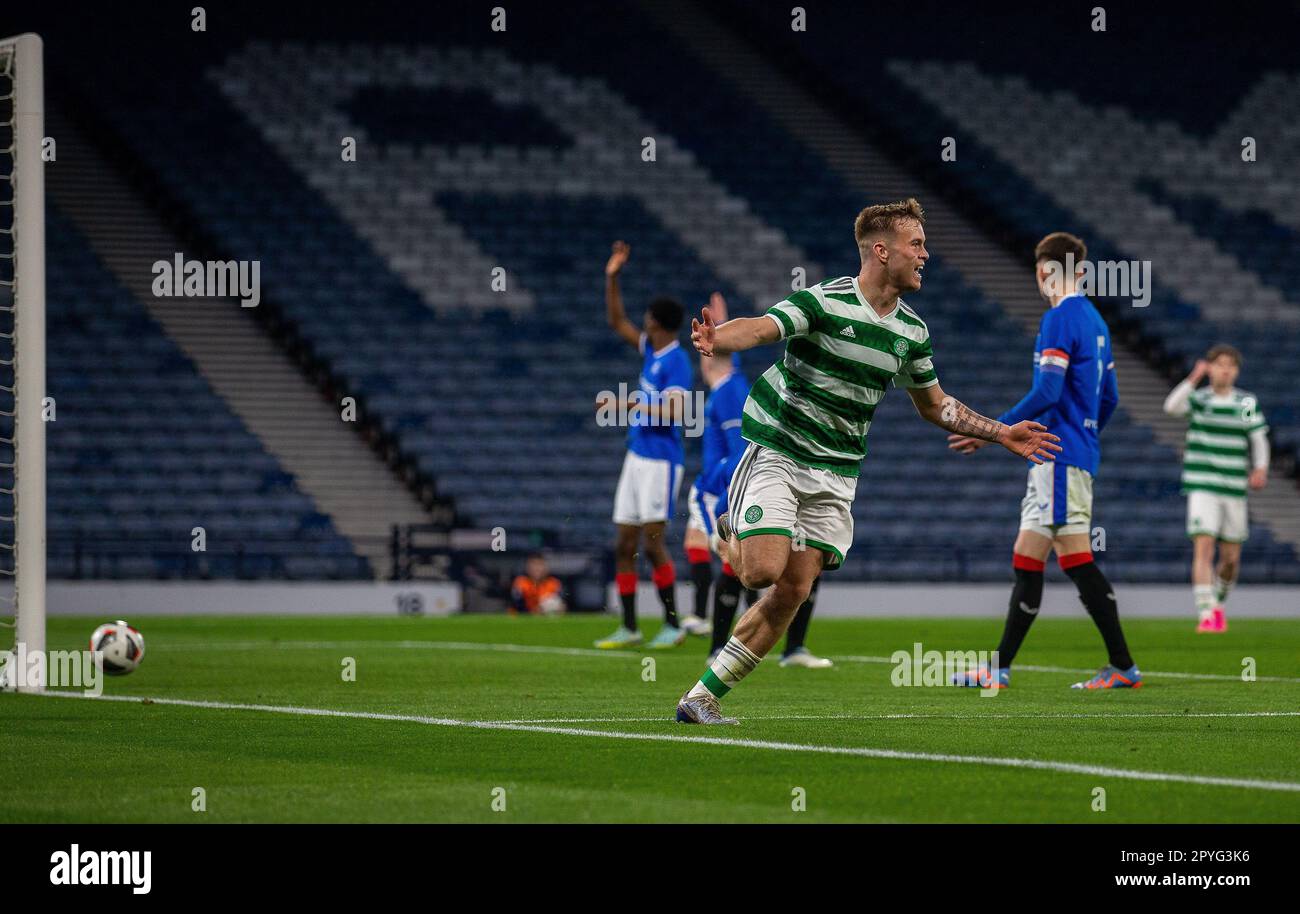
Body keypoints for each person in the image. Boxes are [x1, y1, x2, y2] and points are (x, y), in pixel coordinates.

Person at [674, 198, 1061, 724]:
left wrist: (1001, 432)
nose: (926, 255)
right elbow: (763, 327)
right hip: (781, 449)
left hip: (836, 471)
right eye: (917, 244)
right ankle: (732, 530)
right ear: (882, 250)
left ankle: (701, 697)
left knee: (794, 590)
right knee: (761, 573)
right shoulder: (824, 302)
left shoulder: (912, 332)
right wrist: (718, 338)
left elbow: (935, 405)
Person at [948, 231, 1139, 689]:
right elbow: (1108, 398)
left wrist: (993, 431)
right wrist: (1085, 436)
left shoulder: (1059, 319)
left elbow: (1048, 392)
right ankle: (1000, 668)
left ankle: (1123, 667)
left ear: (1042, 271)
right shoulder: (1095, 321)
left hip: (1055, 457)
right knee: (1027, 558)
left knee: (1074, 559)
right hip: (1072, 454)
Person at [594, 241, 692, 650]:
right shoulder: (652, 351)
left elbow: (676, 413)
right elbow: (617, 321)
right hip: (637, 457)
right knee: (624, 543)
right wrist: (611, 276)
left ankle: (672, 623)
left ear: (657, 322)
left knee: (653, 543)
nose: (643, 322)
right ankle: (630, 625)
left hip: (661, 461)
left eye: (648, 318)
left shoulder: (678, 362)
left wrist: (628, 402)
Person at [1162, 344, 1269, 632]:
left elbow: (1258, 437)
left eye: (1230, 365)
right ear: (1210, 367)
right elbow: (1171, 407)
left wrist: (1260, 468)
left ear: (1236, 371)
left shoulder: (1245, 403)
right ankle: (1206, 613)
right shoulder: (1199, 400)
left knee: (1231, 559)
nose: (1225, 369)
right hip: (1202, 484)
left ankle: (1217, 603)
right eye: (1220, 364)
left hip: (1234, 486)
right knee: (1204, 546)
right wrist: (1193, 378)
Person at [680, 292, 749, 637]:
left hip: (716, 489)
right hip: (719, 485)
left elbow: (739, 453)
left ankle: (731, 633)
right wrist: (720, 328)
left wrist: (723, 495)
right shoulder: (730, 384)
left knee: (731, 556)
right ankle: (703, 617)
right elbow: (725, 356)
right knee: (698, 544)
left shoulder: (728, 394)